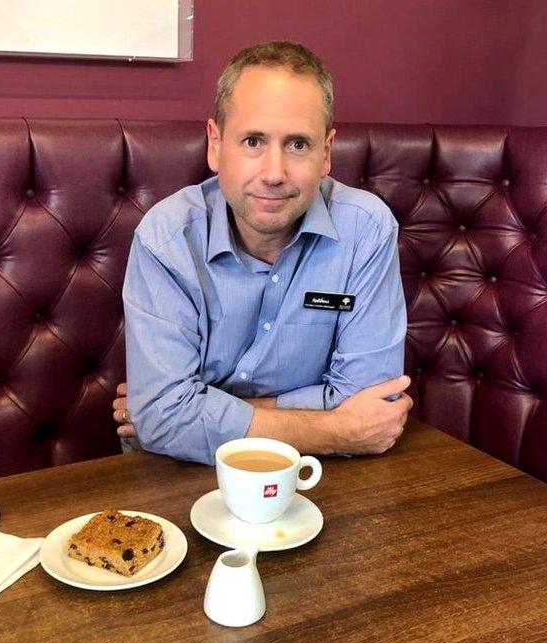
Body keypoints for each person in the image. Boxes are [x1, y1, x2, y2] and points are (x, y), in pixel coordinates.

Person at [113, 41, 412, 465]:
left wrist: (193, 411)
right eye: (253, 141)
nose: (274, 173)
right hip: (179, 473)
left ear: (326, 152)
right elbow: (163, 419)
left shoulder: (366, 229)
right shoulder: (167, 238)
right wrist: (337, 429)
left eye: (298, 145)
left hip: (326, 476)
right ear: (215, 145)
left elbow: (371, 400)